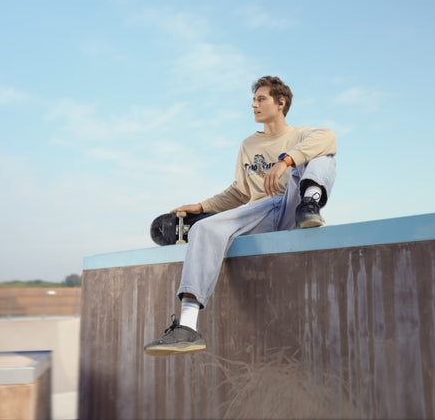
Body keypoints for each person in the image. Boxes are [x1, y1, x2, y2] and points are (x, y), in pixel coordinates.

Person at [144, 76, 337, 356]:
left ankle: (311, 203)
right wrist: (203, 206)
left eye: (261, 99)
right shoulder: (248, 145)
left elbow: (329, 137)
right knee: (202, 229)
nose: (254, 105)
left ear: (280, 103)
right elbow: (240, 191)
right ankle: (187, 327)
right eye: (254, 100)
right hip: (259, 213)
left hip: (292, 205)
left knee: (324, 154)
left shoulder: (301, 135)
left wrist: (285, 162)